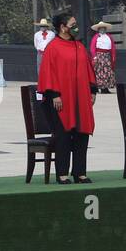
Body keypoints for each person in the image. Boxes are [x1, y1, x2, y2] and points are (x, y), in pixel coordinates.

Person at [39, 12, 97, 184]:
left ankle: (80, 172)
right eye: (72, 24)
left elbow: (88, 69)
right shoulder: (53, 47)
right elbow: (48, 72)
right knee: (63, 136)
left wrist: (92, 90)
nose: (76, 27)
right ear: (63, 27)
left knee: (82, 133)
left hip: (81, 98)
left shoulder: (79, 46)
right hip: (61, 99)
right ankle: (62, 173)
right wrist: (54, 94)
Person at [88, 21, 116, 92]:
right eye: (101, 28)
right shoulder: (96, 37)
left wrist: (113, 56)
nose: (102, 30)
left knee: (107, 71)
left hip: (107, 56)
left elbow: (112, 47)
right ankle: (101, 87)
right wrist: (94, 57)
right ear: (98, 29)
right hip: (99, 55)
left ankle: (106, 87)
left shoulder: (109, 37)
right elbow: (92, 48)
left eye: (104, 28)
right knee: (100, 71)